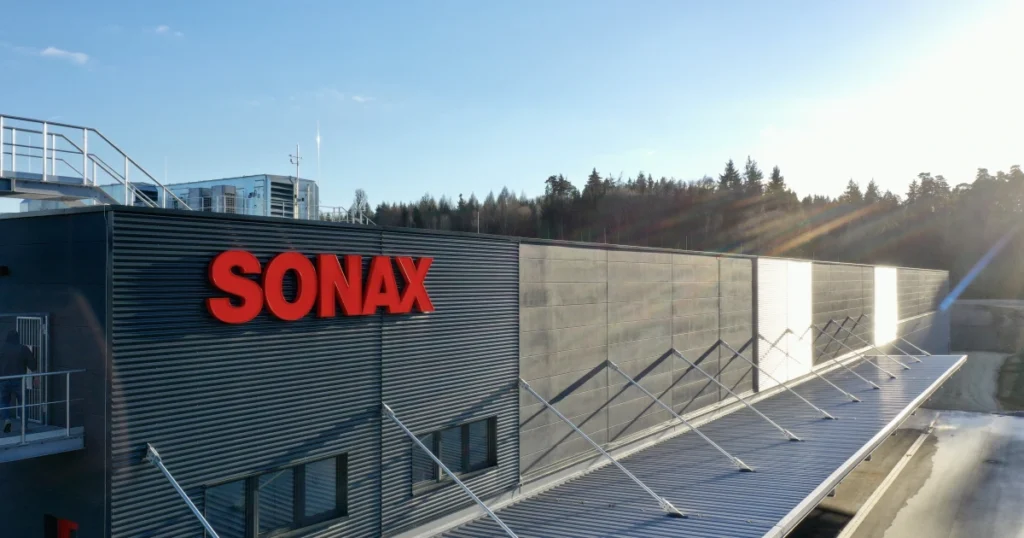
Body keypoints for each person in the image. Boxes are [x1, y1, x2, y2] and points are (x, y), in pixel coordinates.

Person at [0, 330, 37, 434]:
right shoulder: (23, 348)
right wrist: (36, 376)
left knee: (4, 402)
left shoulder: (2, 348)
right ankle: (24, 426)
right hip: (19, 380)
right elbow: (32, 363)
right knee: (22, 403)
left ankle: (7, 419)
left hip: (3, 380)